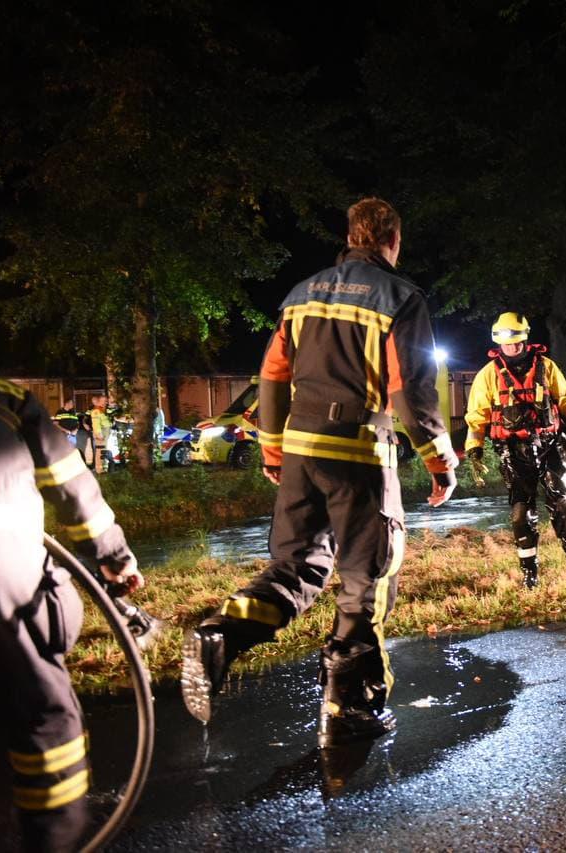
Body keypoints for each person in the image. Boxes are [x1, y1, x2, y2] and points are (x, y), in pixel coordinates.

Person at [182, 197, 458, 746]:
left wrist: (272, 451)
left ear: (351, 237)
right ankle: (348, 708)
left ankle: (221, 633)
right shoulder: (400, 297)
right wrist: (439, 459)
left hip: (301, 452)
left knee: (295, 567)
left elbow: (271, 377)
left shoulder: (301, 294)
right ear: (392, 241)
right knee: (366, 578)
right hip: (360, 453)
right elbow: (409, 390)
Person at [0, 331, 143, 851]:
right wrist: (114, 557)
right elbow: (71, 483)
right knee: (40, 699)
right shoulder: (3, 395)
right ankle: (55, 840)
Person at [463, 312, 566, 592]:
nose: (511, 347)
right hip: (512, 451)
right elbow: (477, 417)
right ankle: (530, 576)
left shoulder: (546, 367)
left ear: (525, 338)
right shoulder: (488, 374)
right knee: (520, 514)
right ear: (497, 341)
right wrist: (474, 451)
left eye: (516, 341)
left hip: (549, 446)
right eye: (506, 342)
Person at [86, 394, 112, 474]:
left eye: (106, 401)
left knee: (103, 450)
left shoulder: (102, 410)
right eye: (104, 401)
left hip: (104, 433)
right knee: (100, 451)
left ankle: (103, 468)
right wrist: (99, 434)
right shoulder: (96, 411)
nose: (105, 402)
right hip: (101, 433)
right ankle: (99, 470)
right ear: (99, 401)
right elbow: (96, 424)